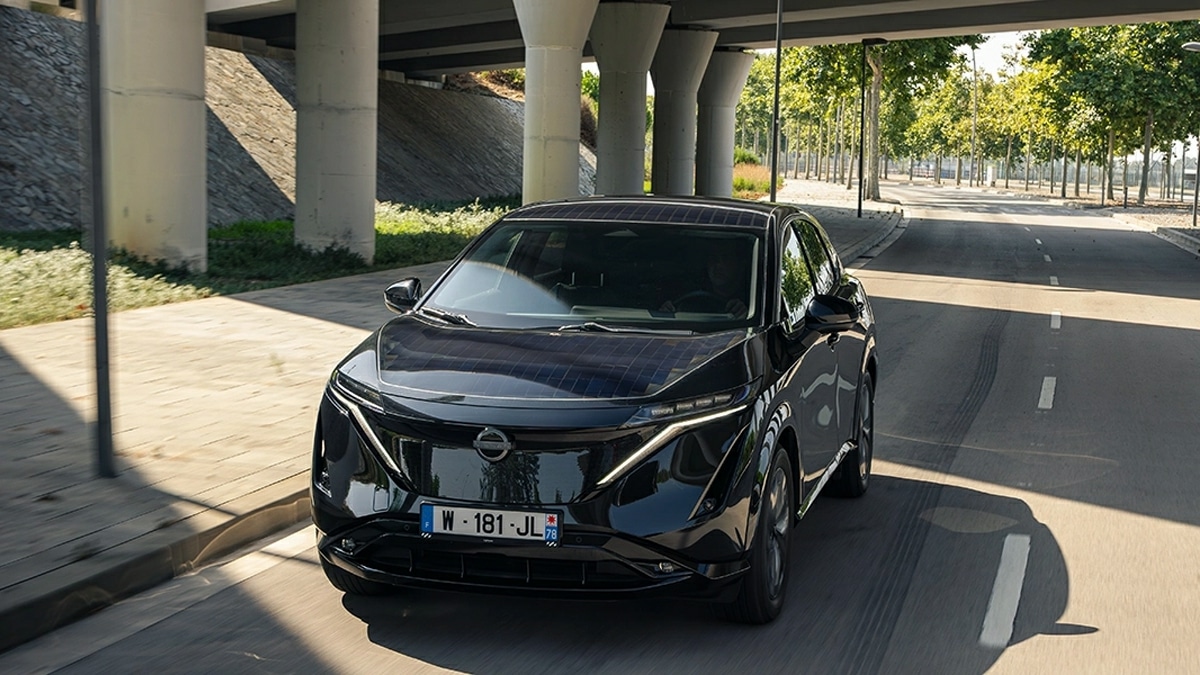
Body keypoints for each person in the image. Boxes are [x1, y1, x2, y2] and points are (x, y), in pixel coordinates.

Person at [660, 247, 749, 317]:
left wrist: (744, 315)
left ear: (739, 265)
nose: (718, 265)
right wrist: (666, 312)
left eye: (726, 259)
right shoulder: (690, 296)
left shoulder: (752, 300)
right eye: (713, 259)